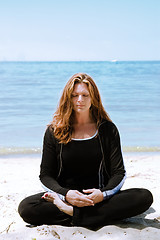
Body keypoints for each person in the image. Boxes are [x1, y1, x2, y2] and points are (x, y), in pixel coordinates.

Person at [18, 73, 153, 229]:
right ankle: (90, 215)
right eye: (75, 95)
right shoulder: (54, 131)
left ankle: (72, 214)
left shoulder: (107, 130)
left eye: (85, 95)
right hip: (66, 198)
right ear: (68, 98)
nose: (79, 100)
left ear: (93, 98)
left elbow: (118, 173)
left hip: (99, 197)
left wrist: (102, 195)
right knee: (27, 207)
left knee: (144, 196)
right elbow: (46, 175)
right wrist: (66, 194)